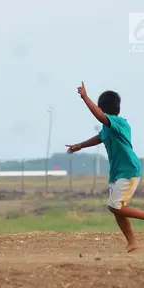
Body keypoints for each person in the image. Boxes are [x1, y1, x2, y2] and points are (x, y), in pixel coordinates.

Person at [66, 82, 143, 252]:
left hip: (129, 171)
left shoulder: (119, 123)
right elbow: (98, 138)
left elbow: (100, 117)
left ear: (101, 108)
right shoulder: (107, 128)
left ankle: (133, 239)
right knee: (117, 208)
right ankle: (132, 242)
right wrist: (80, 145)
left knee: (115, 206)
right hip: (118, 173)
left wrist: (85, 98)